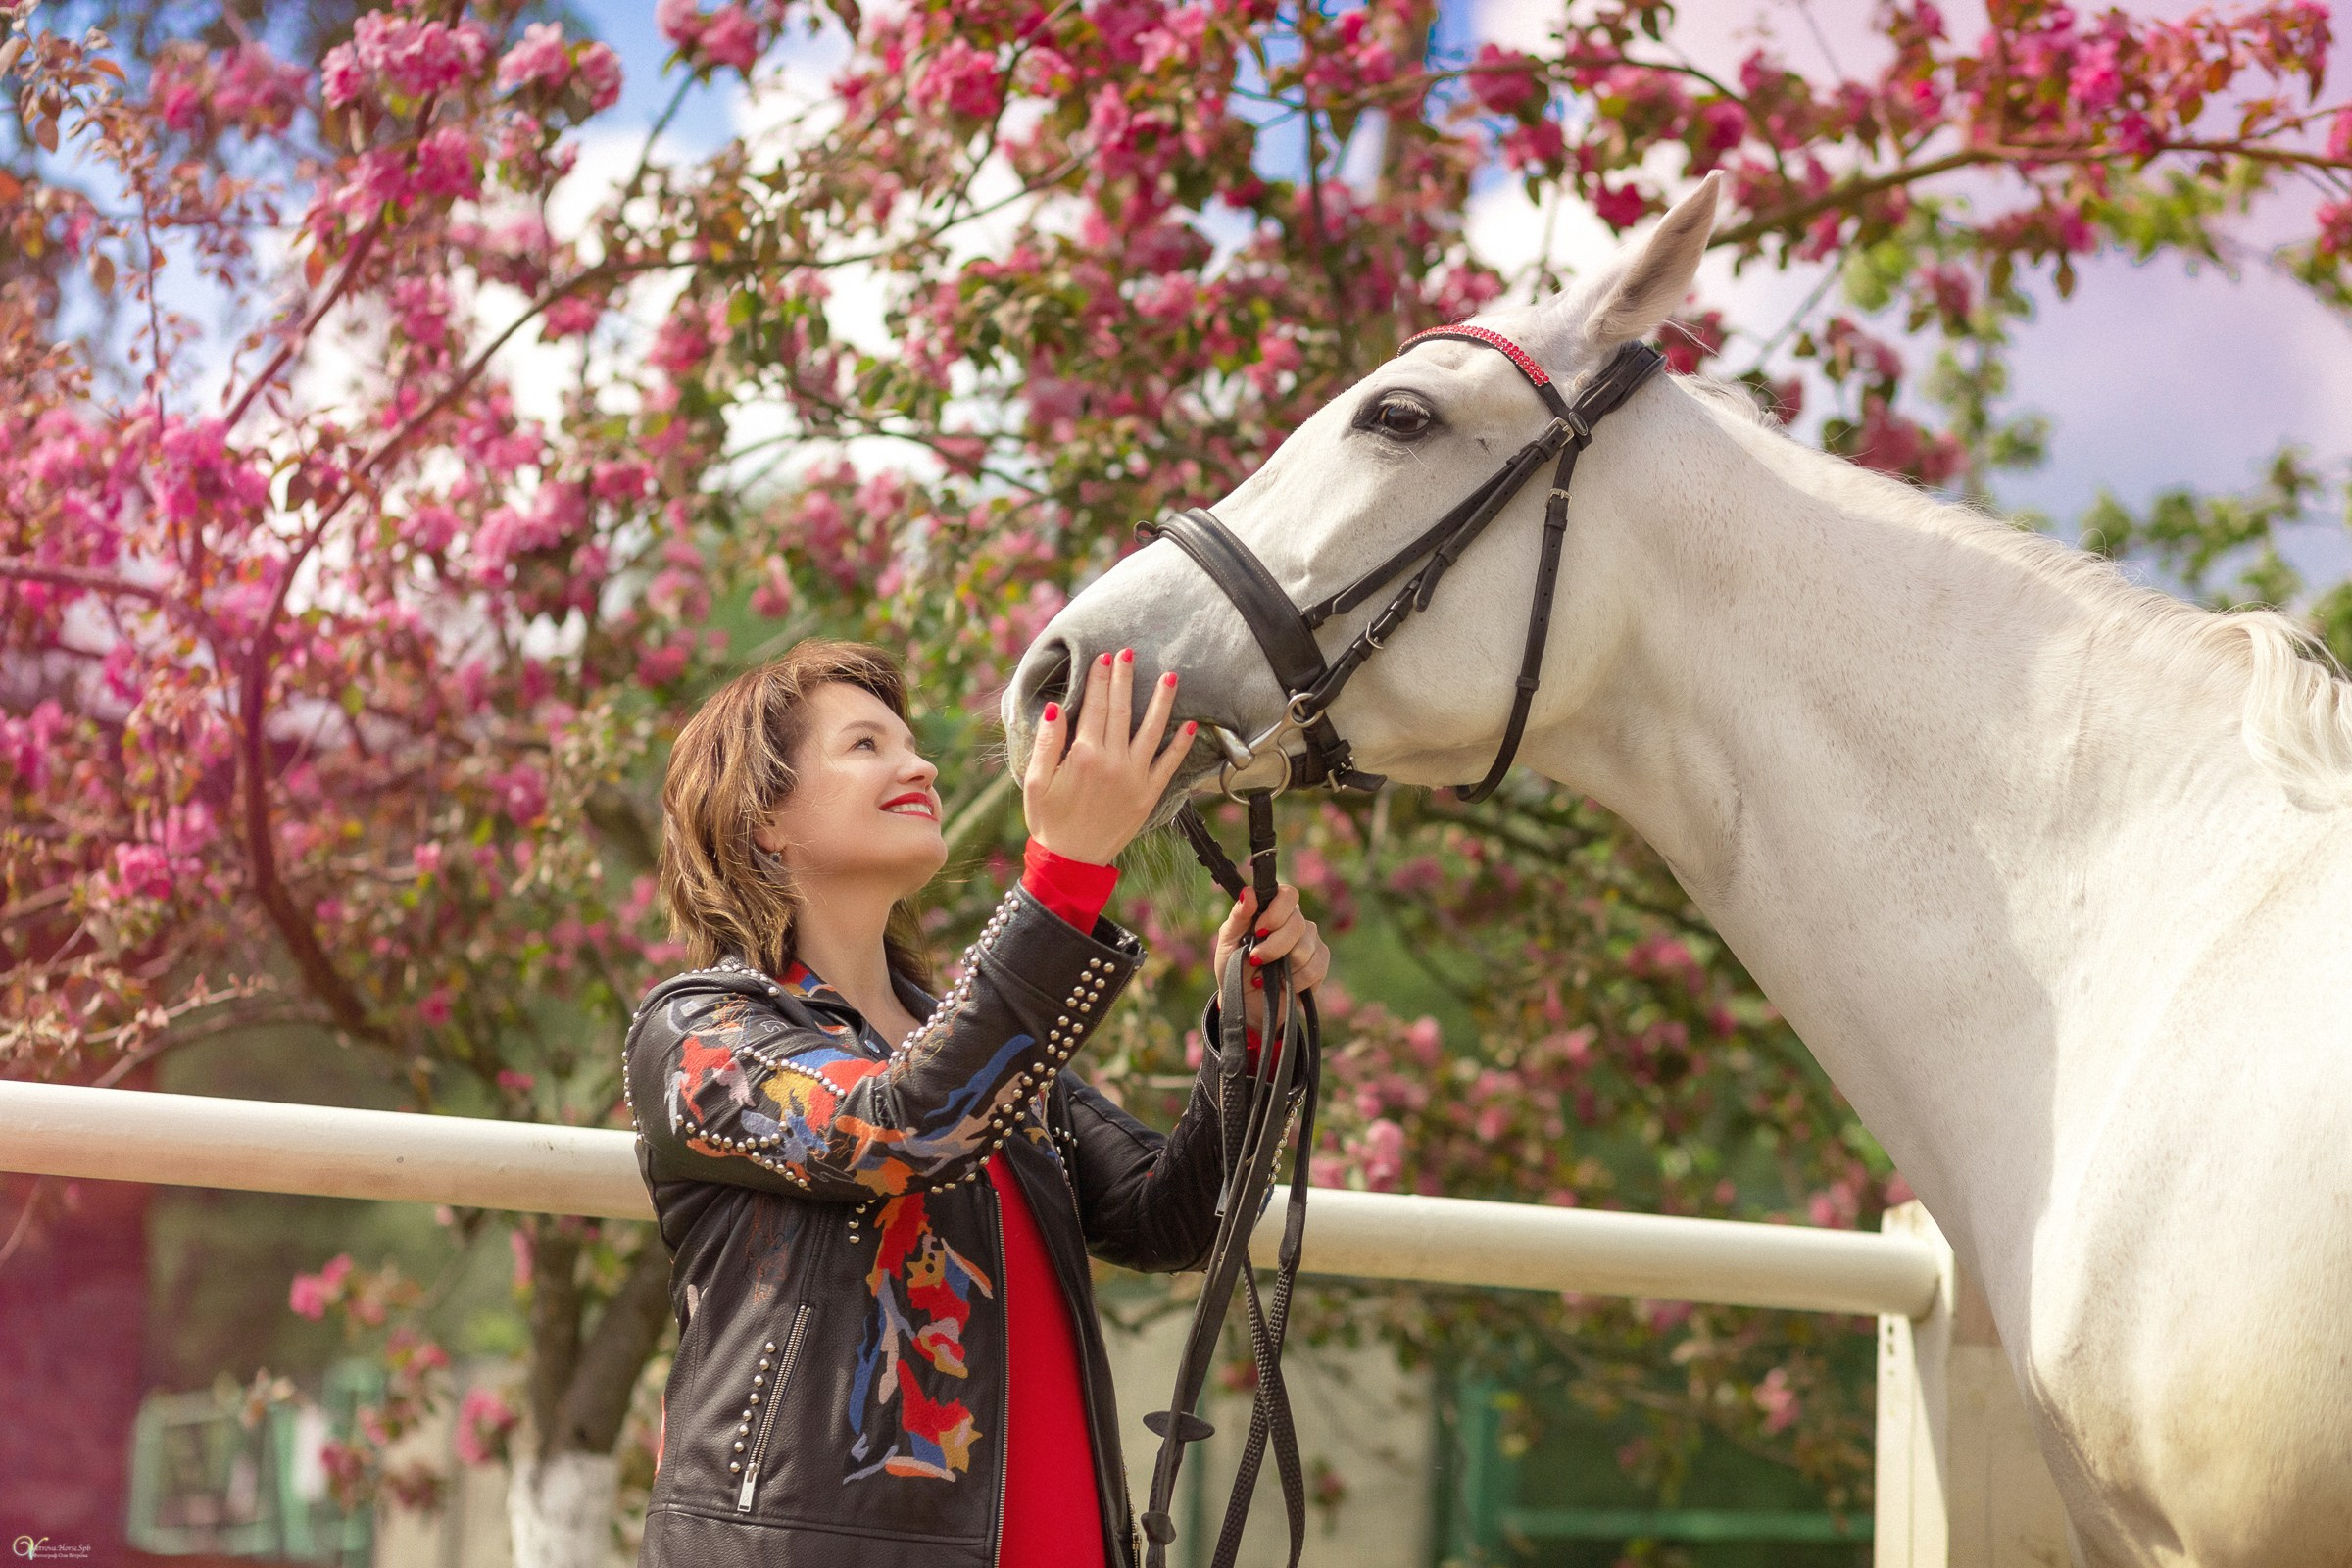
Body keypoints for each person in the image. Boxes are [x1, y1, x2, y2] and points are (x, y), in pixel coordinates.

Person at [622, 639, 1328, 1568]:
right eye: (866, 745)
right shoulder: (699, 1035)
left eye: (913, 745)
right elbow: (894, 1131)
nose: (918, 764)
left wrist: (1255, 1028)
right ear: (762, 820)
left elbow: (1173, 1220)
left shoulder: (980, 1050)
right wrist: (1065, 874)